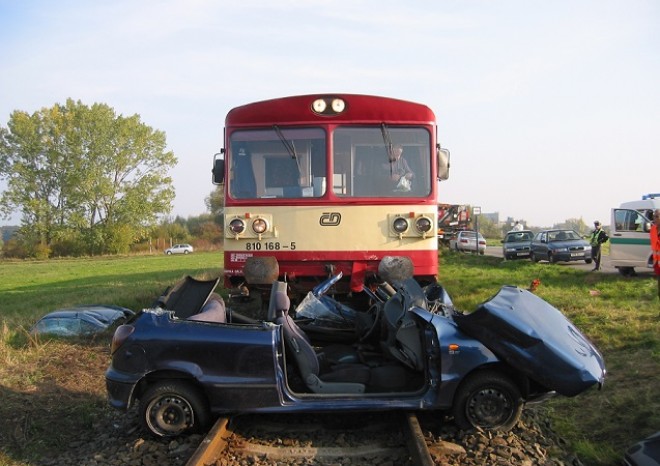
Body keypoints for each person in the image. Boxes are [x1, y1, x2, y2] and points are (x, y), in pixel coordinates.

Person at [651, 209, 660, 300]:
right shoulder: (653, 230)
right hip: (657, 265)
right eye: (654, 216)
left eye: (657, 216)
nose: (655, 218)